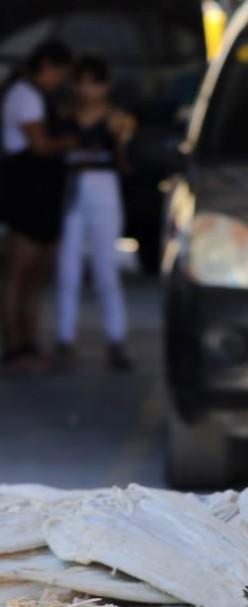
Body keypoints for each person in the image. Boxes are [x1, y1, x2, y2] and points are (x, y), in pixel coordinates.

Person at [54, 55, 135, 372]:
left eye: (94, 82)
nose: (89, 89)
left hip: (103, 185)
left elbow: (127, 161)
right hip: (73, 186)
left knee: (106, 267)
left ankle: (116, 337)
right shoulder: (65, 115)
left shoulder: (116, 119)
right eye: (83, 82)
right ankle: (64, 336)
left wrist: (123, 139)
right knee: (67, 266)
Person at [0, 39, 74, 372]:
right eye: (59, 72)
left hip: (44, 194)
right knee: (17, 274)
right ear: (46, 66)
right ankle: (15, 348)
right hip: (27, 193)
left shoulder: (42, 97)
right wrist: (75, 139)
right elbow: (40, 145)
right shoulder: (24, 96)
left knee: (35, 276)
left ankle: (29, 343)